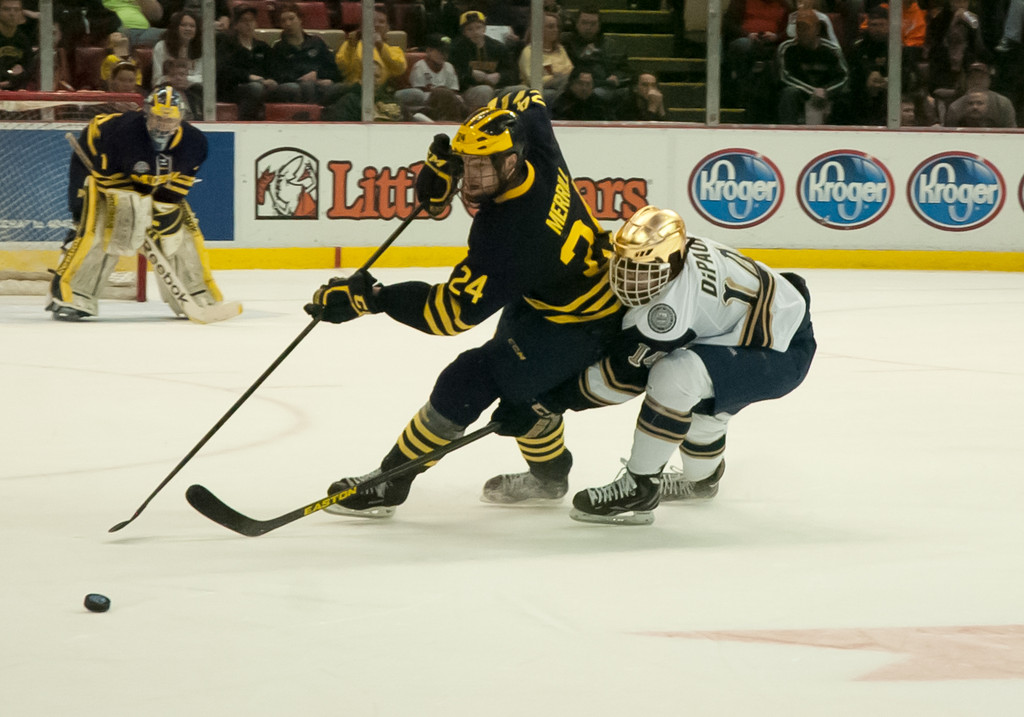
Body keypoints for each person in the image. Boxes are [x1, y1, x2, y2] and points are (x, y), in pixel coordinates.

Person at [304, 88, 624, 518]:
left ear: (510, 161)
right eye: (466, 165)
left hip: (581, 324)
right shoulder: (535, 148)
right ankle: (550, 477)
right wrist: (465, 146)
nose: (469, 180)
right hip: (554, 294)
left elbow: (450, 315)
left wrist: (371, 299)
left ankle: (390, 483)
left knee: (469, 379)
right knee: (520, 391)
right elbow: (526, 97)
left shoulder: (512, 236)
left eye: (479, 167)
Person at [492, 205, 815, 525]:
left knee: (677, 374)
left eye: (644, 272)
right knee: (706, 412)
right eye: (626, 265)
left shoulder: (668, 314)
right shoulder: (670, 254)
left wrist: (547, 402)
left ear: (673, 265)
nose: (630, 279)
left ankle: (639, 487)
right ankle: (702, 482)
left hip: (781, 351)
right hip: (754, 328)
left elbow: (621, 379)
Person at [47, 87, 236, 321]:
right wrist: (134, 210)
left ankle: (195, 295)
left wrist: (160, 210)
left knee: (178, 233)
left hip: (150, 180)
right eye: (157, 117)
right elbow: (109, 183)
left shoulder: (194, 142)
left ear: (181, 118)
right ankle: (72, 297)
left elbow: (179, 186)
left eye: (170, 119)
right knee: (105, 229)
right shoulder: (122, 134)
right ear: (146, 113)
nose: (163, 124)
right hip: (96, 167)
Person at [216, 3, 300, 120]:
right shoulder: (227, 45)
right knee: (255, 88)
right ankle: (246, 123)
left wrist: (272, 80)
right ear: (235, 25)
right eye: (244, 21)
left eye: (251, 20)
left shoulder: (262, 47)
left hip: (263, 86)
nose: (248, 24)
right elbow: (224, 70)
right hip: (235, 89)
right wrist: (249, 77)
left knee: (292, 88)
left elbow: (274, 68)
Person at [777, 8, 849, 124]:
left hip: (827, 94)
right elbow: (784, 77)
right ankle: (787, 134)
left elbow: (843, 77)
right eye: (798, 27)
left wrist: (826, 92)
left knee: (845, 98)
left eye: (805, 27)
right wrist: (812, 92)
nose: (800, 31)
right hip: (801, 93)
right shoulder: (787, 49)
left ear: (817, 29)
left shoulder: (832, 50)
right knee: (789, 93)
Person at [269, 1, 346, 107]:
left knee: (340, 87)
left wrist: (318, 74)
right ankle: (312, 118)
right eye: (283, 21)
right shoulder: (279, 48)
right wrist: (303, 77)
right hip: (296, 84)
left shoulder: (317, 42)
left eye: (291, 19)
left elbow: (333, 69)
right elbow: (278, 74)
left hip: (319, 81)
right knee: (307, 86)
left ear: (300, 19)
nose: (288, 24)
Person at [560, 3, 632, 109]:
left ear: (599, 26)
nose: (588, 27)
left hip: (605, 85)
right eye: (584, 23)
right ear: (577, 24)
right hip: (575, 86)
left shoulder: (611, 45)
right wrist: (585, 55)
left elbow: (624, 70)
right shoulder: (565, 42)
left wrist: (617, 76)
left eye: (593, 24)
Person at [448, 10, 519, 112]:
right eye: (470, 29)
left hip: (497, 89)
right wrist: (470, 74)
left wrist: (500, 76)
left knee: (522, 90)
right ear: (464, 32)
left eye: (478, 27)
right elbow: (452, 74)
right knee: (484, 90)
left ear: (485, 28)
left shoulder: (498, 47)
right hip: (468, 91)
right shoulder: (456, 49)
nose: (475, 32)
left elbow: (513, 72)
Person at [395, 32, 463, 120]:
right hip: (425, 100)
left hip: (445, 100)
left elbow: (454, 91)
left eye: (446, 52)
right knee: (421, 94)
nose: (444, 55)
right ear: (429, 51)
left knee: (458, 98)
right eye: (440, 51)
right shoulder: (420, 66)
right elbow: (419, 91)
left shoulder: (449, 67)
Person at [334, 5, 406, 88]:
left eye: (381, 22)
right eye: (372, 21)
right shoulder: (351, 45)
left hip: (381, 93)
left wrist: (381, 47)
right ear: (363, 25)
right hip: (355, 90)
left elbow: (400, 69)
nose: (377, 25)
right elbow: (342, 67)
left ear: (387, 28)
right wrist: (351, 46)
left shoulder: (394, 50)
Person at [517, 9, 573, 104]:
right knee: (554, 93)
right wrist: (555, 77)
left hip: (563, 84)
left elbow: (570, 70)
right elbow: (534, 79)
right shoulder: (529, 52)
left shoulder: (560, 49)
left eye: (557, 27)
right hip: (536, 90)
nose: (556, 30)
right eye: (551, 27)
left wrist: (555, 74)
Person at [942, 61, 1016, 127]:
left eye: (981, 77)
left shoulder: (1003, 104)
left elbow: (1012, 134)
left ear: (989, 80)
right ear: (966, 81)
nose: (977, 81)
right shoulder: (955, 108)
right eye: (972, 77)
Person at [151, 10, 201, 88]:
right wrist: (173, 80)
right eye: (183, 25)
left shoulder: (202, 49)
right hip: (167, 89)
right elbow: (156, 80)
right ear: (175, 27)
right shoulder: (161, 46)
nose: (188, 29)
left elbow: (204, 78)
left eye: (192, 26)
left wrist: (185, 79)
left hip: (193, 90)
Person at [0, 0, 34, 90]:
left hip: (16, 92)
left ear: (21, 13)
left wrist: (13, 80)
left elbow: (29, 70)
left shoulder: (23, 40)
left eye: (16, 9)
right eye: (6, 9)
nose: (12, 13)